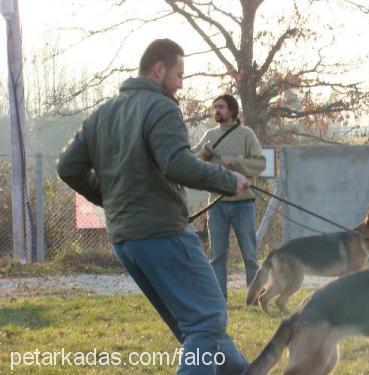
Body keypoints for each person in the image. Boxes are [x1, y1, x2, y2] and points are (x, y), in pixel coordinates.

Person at [57, 38, 249, 375]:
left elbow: (67, 167)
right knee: (206, 321)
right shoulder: (161, 107)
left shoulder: (101, 114)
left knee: (199, 327)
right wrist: (227, 180)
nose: (181, 84)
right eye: (179, 74)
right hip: (163, 233)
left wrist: (109, 197)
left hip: (125, 240)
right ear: (159, 69)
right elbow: (176, 164)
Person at [193, 95, 266, 299]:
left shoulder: (246, 134)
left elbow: (260, 164)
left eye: (221, 107)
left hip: (243, 204)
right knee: (217, 257)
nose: (217, 110)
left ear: (232, 111)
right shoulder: (209, 135)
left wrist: (234, 162)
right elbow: (193, 165)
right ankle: (219, 300)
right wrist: (204, 155)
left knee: (250, 256)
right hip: (216, 205)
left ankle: (255, 299)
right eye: (215, 107)